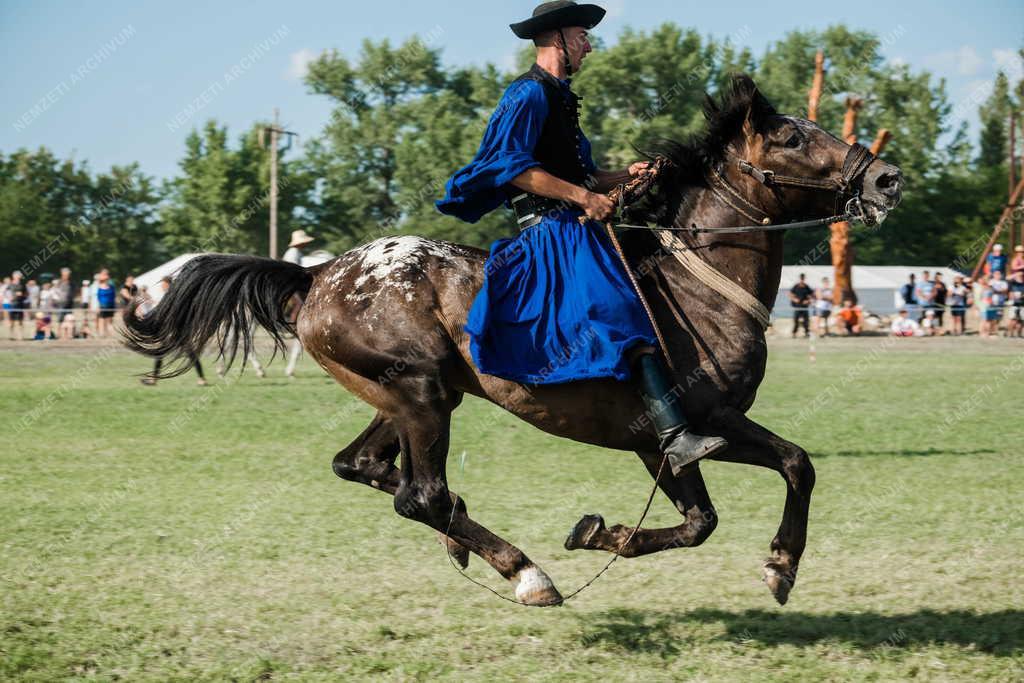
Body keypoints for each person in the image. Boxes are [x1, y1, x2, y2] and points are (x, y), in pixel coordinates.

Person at [435, 0, 727, 474]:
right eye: (582, 37)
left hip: (575, 224)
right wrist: (585, 199)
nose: (589, 45)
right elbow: (511, 169)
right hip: (551, 231)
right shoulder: (527, 94)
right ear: (557, 41)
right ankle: (673, 436)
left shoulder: (560, 96)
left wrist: (620, 177)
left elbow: (582, 175)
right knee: (618, 310)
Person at [140, 278, 207, 386]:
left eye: (163, 285)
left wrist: (147, 316)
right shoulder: (175, 296)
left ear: (168, 285)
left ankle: (154, 379)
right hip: (177, 330)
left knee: (165, 353)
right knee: (188, 354)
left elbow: (160, 310)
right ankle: (202, 379)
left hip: (175, 330)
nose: (161, 287)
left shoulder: (170, 296)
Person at [282, 229, 315, 378]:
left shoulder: (297, 253)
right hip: (288, 284)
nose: (305, 244)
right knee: (302, 304)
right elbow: (293, 272)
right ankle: (295, 323)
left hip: (292, 283)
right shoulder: (293, 254)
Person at [789, 273, 813, 338]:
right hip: (797, 307)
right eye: (801, 278)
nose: (802, 280)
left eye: (803, 278)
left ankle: (807, 332)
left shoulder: (806, 287)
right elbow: (790, 294)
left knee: (806, 321)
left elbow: (811, 296)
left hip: (805, 307)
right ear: (799, 278)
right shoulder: (796, 286)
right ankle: (794, 333)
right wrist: (794, 299)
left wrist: (808, 301)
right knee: (796, 321)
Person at [94, 269, 117, 338]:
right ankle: (104, 334)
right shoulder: (98, 285)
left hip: (107, 305)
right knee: (104, 320)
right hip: (105, 305)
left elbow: (113, 296)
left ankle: (107, 334)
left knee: (106, 321)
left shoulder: (110, 285)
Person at [8, 271, 28, 340]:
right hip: (12, 304)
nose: (19, 277)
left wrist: (22, 295)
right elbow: (4, 293)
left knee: (20, 321)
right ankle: (11, 336)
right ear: (14, 276)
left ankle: (20, 336)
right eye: (18, 276)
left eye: (20, 276)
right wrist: (9, 297)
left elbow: (26, 294)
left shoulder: (22, 285)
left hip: (20, 304)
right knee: (11, 321)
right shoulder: (10, 284)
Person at [990, 269, 1009, 336]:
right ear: (993, 275)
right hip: (993, 302)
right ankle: (991, 330)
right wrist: (999, 291)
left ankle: (996, 330)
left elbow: (1005, 291)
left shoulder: (1004, 283)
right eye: (996, 274)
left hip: (1001, 302)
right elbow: (991, 290)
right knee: (992, 317)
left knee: (999, 317)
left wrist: (997, 291)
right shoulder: (991, 282)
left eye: (999, 274)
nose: (998, 275)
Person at [1008, 269, 1024, 338]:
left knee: (1021, 320)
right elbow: (1007, 278)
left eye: (1021, 275)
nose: (1020, 275)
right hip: (1014, 304)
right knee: (1013, 319)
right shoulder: (1012, 283)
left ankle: (1019, 334)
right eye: (1019, 275)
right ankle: (1011, 334)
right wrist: (1016, 274)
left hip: (1022, 304)